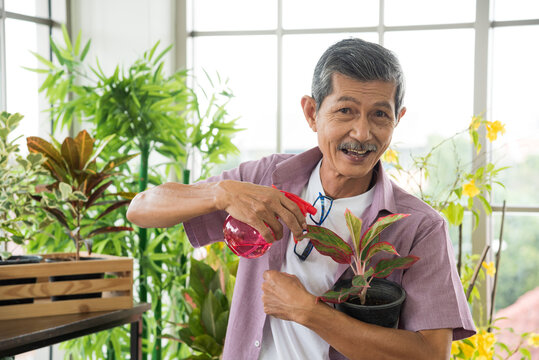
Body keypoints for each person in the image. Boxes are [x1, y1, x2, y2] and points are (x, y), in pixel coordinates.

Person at [127, 38, 475, 360]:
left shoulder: (419, 228)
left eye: (379, 115)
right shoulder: (265, 179)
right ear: (312, 113)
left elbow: (431, 353)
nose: (362, 133)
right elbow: (141, 209)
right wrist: (222, 193)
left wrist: (308, 312)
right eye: (345, 111)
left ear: (397, 120)